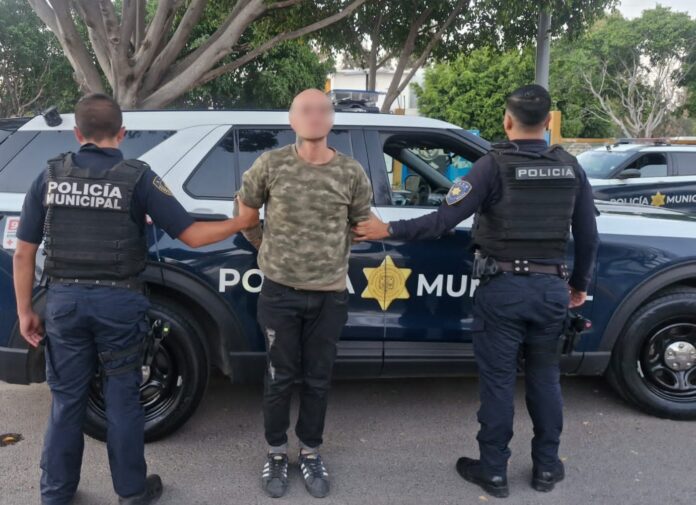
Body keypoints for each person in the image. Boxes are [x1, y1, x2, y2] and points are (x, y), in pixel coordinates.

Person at [352, 85, 599, 498]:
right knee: (545, 379)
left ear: (507, 120)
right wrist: (577, 287)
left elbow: (441, 221)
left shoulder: (491, 166)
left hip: (503, 290)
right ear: (548, 122)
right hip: (550, 289)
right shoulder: (570, 167)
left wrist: (388, 228)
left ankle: (494, 472)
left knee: (499, 383)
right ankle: (547, 468)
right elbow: (589, 237)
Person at [13, 93, 255, 505]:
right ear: (122, 133)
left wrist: (25, 313)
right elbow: (193, 235)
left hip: (65, 302)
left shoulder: (50, 175)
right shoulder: (138, 177)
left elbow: (24, 253)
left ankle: (55, 495)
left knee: (67, 401)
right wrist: (242, 221)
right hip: (119, 304)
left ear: (77, 134)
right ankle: (131, 493)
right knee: (122, 398)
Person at [236, 88, 372, 499]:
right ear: (291, 119)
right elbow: (246, 214)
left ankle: (310, 450)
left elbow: (362, 224)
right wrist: (265, 248)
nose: (314, 116)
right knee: (279, 377)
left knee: (317, 379)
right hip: (280, 293)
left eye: (322, 110)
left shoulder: (351, 172)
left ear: (332, 119)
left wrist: (334, 247)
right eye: (305, 110)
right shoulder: (271, 164)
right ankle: (276, 451)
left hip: (330, 295)